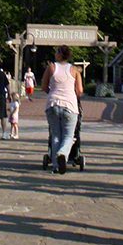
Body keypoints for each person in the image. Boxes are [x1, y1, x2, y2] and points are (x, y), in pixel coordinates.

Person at [41, 45, 83, 175]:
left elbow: (43, 85)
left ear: (59, 54)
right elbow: (80, 90)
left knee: (55, 136)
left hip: (53, 104)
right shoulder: (74, 70)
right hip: (70, 105)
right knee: (69, 136)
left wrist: (52, 93)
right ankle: (63, 154)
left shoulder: (51, 68)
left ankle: (55, 166)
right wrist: (73, 96)